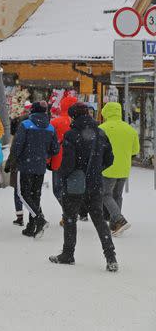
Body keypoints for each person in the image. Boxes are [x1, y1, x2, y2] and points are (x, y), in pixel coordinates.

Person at [50, 103, 118, 272]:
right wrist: (95, 170)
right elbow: (110, 159)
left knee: (70, 218)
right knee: (99, 219)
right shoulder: (101, 133)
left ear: (73, 117)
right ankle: (111, 257)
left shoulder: (71, 135)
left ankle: (68, 254)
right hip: (95, 184)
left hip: (75, 184)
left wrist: (64, 174)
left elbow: (68, 163)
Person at [7, 101, 59, 238]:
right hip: (40, 167)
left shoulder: (25, 125)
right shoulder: (50, 128)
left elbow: (17, 146)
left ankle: (39, 219)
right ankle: (31, 227)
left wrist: (10, 162)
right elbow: (55, 149)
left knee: (23, 194)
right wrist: (43, 155)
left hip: (25, 165)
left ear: (32, 111)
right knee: (35, 196)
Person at [98, 102, 139, 235]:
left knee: (105, 195)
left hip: (108, 168)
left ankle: (119, 220)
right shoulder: (130, 129)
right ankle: (115, 226)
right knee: (117, 195)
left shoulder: (102, 128)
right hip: (123, 168)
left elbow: (98, 150)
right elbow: (135, 150)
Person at [50, 95, 78, 206]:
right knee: (72, 188)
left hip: (58, 158)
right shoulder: (80, 123)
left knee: (58, 188)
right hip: (76, 159)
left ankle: (68, 211)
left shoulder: (55, 122)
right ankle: (71, 211)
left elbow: (50, 142)